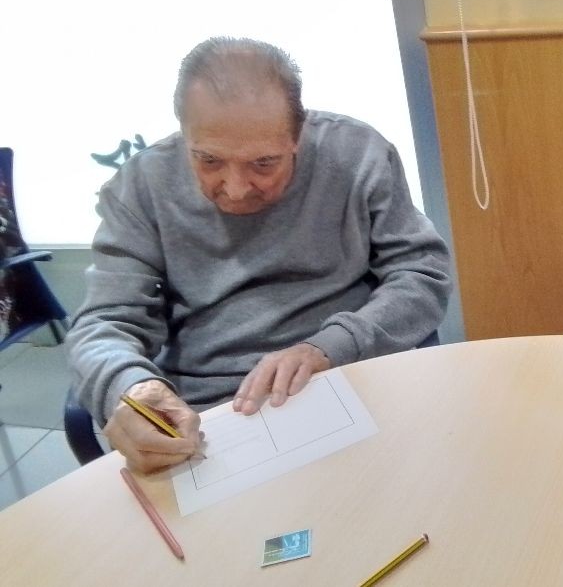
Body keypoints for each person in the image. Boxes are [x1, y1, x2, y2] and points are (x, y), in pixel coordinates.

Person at [68, 37, 452, 472]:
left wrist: (331, 345)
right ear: (184, 132)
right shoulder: (140, 187)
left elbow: (422, 273)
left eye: (264, 163)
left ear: (298, 135)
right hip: (209, 415)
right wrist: (130, 388)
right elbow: (103, 324)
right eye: (208, 160)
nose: (235, 189)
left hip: (347, 376)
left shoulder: (358, 154)